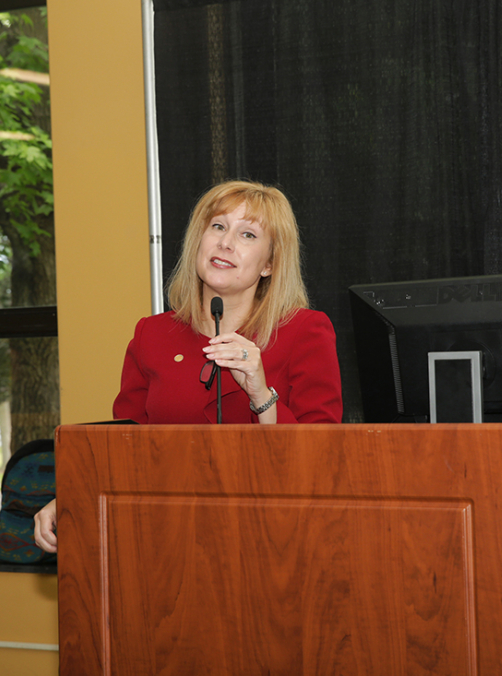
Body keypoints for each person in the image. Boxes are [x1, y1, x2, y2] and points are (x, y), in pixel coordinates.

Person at [33, 180, 342, 553]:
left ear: (270, 265)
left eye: (247, 234)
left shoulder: (304, 331)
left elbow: (325, 460)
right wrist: (71, 499)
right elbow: (123, 448)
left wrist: (261, 394)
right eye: (217, 226)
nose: (226, 242)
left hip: (270, 541)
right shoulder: (153, 333)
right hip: (165, 541)